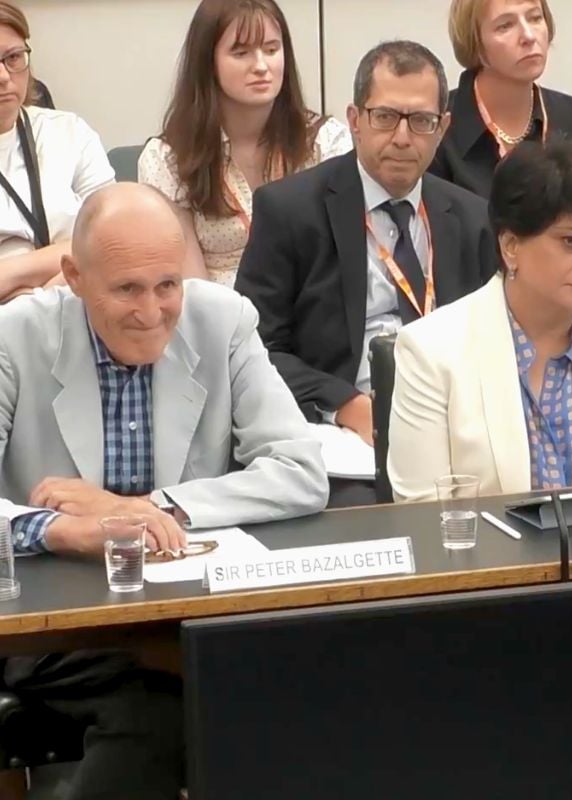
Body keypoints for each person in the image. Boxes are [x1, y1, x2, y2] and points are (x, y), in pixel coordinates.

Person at [0, 183, 329, 799]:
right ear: (74, 275)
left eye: (167, 285)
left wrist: (150, 510)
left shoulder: (223, 319)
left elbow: (300, 469)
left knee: (314, 680)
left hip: (200, 612)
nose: (152, 311)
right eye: (126, 289)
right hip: (63, 625)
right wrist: (62, 529)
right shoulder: (14, 337)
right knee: (156, 716)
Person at [235, 41, 496, 449]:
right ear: (355, 120)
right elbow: (254, 347)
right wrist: (346, 405)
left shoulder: (473, 219)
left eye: (422, 121)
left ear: (443, 128)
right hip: (339, 432)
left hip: (453, 426)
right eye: (386, 117)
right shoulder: (290, 210)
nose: (403, 138)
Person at [387, 138, 572, 503]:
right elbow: (424, 514)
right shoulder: (431, 351)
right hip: (486, 557)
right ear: (510, 245)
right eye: (571, 241)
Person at [139, 0, 351, 288]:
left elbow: (342, 261)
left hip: (310, 314)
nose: (262, 66)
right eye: (241, 53)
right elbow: (191, 291)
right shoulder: (168, 159)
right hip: (220, 321)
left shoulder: (325, 142)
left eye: (272, 49)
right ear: (208, 62)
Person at [429, 0, 572, 199]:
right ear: (475, 42)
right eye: (505, 26)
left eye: (535, 18)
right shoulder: (434, 126)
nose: (529, 37)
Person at [0, 1, 114, 303]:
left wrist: (33, 293)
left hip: (75, 303)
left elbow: (112, 237)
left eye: (13, 57)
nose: (3, 76)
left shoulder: (69, 132)